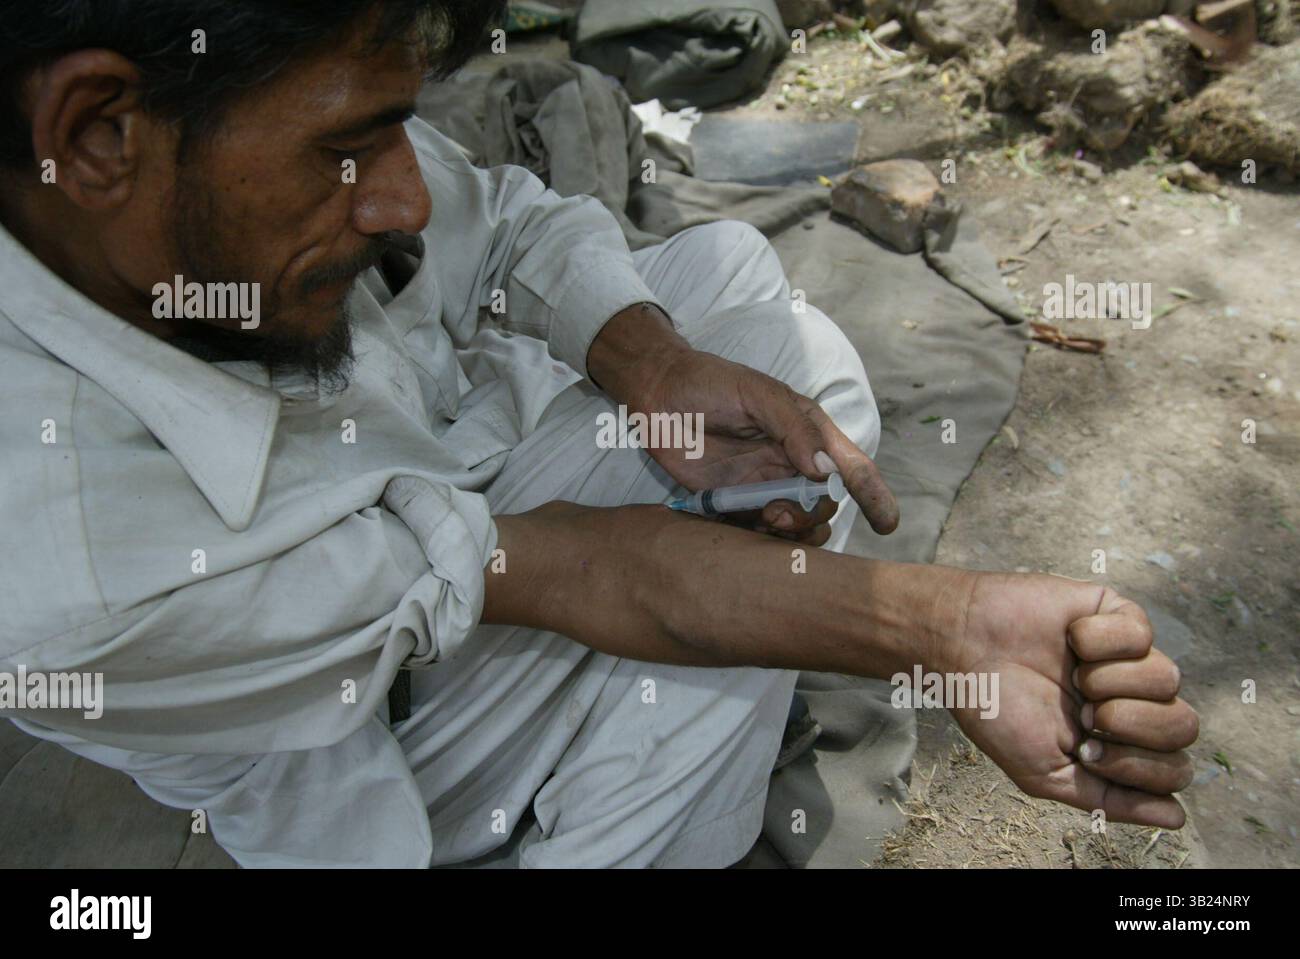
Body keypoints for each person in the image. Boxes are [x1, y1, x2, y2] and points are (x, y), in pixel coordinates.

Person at [0, 0, 1197, 867]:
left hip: (473, 517)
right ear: (98, 130)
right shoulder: (57, 564)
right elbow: (590, 566)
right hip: (368, 745)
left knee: (756, 333)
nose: (402, 197)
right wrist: (947, 626)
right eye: (345, 148)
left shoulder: (208, 183)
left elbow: (506, 226)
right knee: (763, 481)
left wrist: (658, 366)